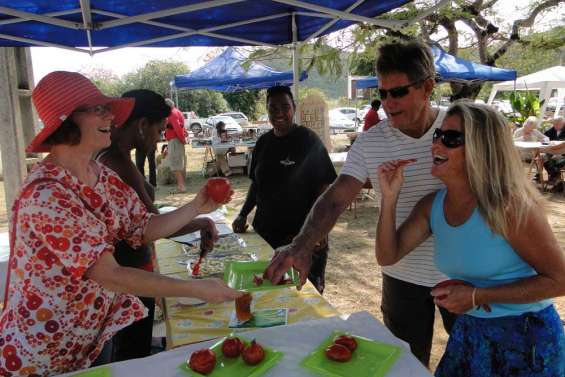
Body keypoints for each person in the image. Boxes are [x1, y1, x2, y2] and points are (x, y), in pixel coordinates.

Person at [0, 71, 242, 376]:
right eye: (97, 109)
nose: (110, 115)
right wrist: (196, 289)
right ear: (66, 121)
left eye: (107, 108)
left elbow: (142, 228)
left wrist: (197, 205)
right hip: (41, 351)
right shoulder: (45, 194)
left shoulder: (100, 176)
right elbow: (109, 274)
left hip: (88, 339)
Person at [264, 41, 456, 366]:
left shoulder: (459, 129)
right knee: (407, 364)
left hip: (462, 272)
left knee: (475, 360)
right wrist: (301, 246)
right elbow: (336, 199)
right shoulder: (371, 141)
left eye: (399, 93)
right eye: (382, 94)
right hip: (401, 274)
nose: (388, 104)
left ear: (427, 87)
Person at [376, 101, 565, 376]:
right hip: (472, 331)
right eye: (438, 136)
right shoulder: (433, 206)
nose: (437, 144)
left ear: (482, 149)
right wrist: (389, 198)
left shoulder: (509, 206)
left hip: (525, 336)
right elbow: (387, 255)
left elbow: (559, 280)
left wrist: (478, 295)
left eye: (451, 138)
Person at [96, 89, 219, 361]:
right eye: (160, 130)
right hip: (129, 275)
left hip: (128, 271)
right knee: (132, 355)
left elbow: (144, 222)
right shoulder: (117, 164)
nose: (161, 137)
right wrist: (198, 218)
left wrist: (198, 218)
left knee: (129, 350)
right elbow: (150, 225)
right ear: (142, 125)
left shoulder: (115, 157)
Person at [232, 85, 337, 293]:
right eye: (273, 108)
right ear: (267, 111)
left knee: (305, 297)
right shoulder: (263, 143)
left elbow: (325, 190)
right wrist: (243, 214)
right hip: (266, 236)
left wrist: (314, 232)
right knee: (266, 293)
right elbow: (256, 185)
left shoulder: (309, 141)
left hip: (301, 239)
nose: (279, 113)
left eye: (285, 107)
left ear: (294, 108)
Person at [164, 98, 187, 193]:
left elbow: (177, 127)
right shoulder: (177, 112)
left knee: (176, 163)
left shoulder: (172, 114)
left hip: (174, 141)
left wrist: (182, 138)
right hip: (176, 140)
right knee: (178, 163)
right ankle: (180, 185)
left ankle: (181, 186)